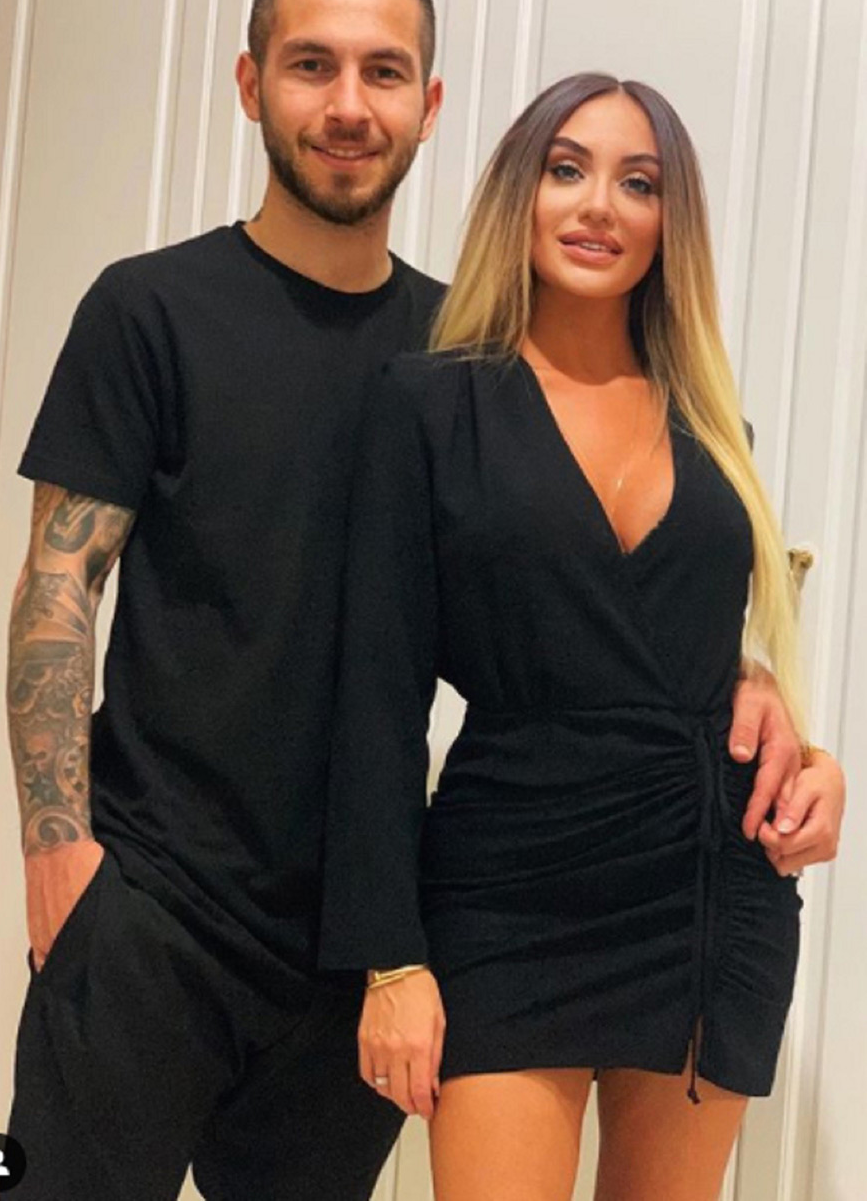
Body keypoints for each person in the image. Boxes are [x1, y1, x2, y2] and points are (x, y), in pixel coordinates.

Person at [317, 73, 846, 1201]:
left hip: (708, 890)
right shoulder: (428, 405)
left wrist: (812, 755)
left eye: (638, 183)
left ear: (670, 223)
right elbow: (375, 697)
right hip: (509, 886)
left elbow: (703, 656)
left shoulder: (716, 427)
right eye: (567, 170)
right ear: (522, 193)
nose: (600, 204)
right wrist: (391, 957)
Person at [4, 0, 443, 1198]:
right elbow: (58, 586)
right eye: (312, 65)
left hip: (355, 948)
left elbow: (560, 594)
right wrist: (60, 861)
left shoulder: (463, 356)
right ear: (251, 84)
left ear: (429, 104)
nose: (347, 103)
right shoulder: (147, 309)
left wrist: (750, 683)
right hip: (147, 905)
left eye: (383, 71)